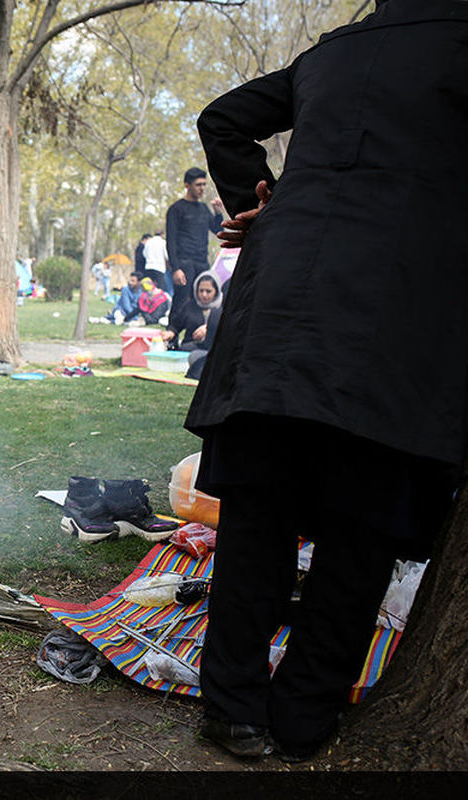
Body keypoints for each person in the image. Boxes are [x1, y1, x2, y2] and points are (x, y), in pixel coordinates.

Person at [186, 0, 467, 763]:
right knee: (361, 528)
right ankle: (304, 715)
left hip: (279, 303)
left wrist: (261, 199)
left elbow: (222, 118)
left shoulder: (331, 54)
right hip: (397, 311)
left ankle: (233, 707)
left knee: (258, 519)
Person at [166, 167, 224, 298]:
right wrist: (175, 269)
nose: (202, 188)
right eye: (198, 184)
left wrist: (218, 213)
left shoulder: (203, 208)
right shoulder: (176, 209)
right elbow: (171, 241)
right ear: (187, 185)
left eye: (204, 184)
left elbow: (218, 231)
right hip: (184, 264)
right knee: (182, 302)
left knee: (201, 302)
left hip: (202, 262)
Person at [166, 272, 221, 349]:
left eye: (208, 291)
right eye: (201, 291)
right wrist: (170, 333)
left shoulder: (222, 308)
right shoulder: (190, 306)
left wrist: (208, 329)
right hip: (190, 347)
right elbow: (176, 325)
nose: (204, 295)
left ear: (216, 291)